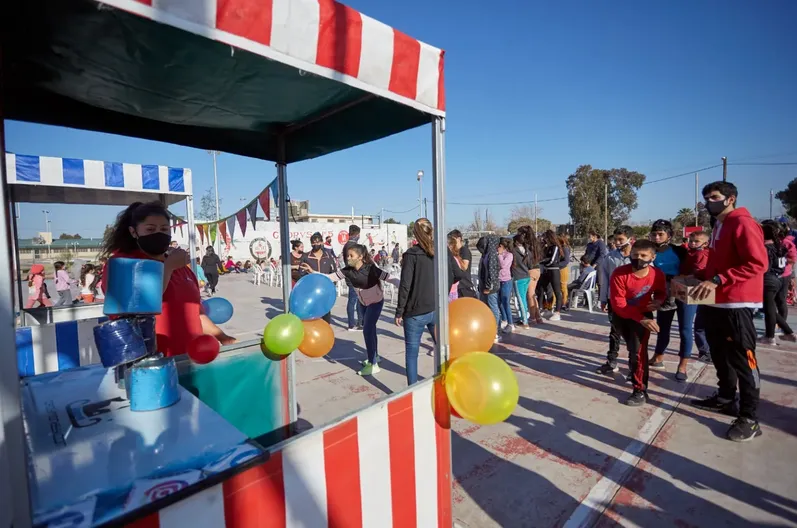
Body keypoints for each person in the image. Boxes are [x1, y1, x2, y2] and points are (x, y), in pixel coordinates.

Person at [103, 201, 236, 357]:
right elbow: (136, 305)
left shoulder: (181, 269)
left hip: (190, 360)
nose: (159, 234)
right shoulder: (123, 264)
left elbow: (195, 314)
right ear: (133, 232)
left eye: (164, 229)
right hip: (149, 364)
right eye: (150, 229)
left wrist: (222, 336)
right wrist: (168, 267)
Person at [690, 181, 768, 442]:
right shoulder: (719, 225)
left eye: (714, 197)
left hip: (736, 303)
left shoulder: (743, 223)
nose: (709, 202)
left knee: (743, 360)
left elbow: (758, 263)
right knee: (720, 355)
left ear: (730, 198)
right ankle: (725, 398)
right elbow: (718, 261)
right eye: (706, 198)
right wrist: (698, 276)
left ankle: (750, 418)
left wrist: (720, 279)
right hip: (715, 301)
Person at [302, 244, 399, 376]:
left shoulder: (371, 269)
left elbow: (392, 279)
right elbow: (330, 277)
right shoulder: (347, 271)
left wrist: (406, 288)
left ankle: (373, 364)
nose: (348, 258)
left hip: (376, 302)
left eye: (351, 255)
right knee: (370, 329)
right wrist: (313, 272)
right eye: (347, 255)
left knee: (367, 330)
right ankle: (374, 356)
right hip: (363, 303)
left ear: (360, 257)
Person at [395, 218, 471, 384]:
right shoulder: (441, 250)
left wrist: (399, 311)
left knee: (412, 353)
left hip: (415, 311)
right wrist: (443, 289)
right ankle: (450, 380)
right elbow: (458, 273)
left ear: (415, 233)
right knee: (443, 348)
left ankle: (413, 389)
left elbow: (405, 285)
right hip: (436, 307)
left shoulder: (412, 254)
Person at [609, 240, 666, 406]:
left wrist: (658, 302)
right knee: (629, 347)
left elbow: (662, 292)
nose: (638, 258)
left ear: (652, 257)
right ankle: (633, 372)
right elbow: (619, 304)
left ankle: (640, 389)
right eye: (635, 255)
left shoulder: (657, 274)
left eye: (643, 255)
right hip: (623, 316)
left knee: (638, 353)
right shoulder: (619, 274)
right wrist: (641, 318)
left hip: (643, 318)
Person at [647, 220, 691, 381]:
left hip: (682, 291)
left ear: (669, 236)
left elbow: (692, 269)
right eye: (654, 234)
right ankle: (658, 358)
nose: (656, 237)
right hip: (663, 293)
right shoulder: (649, 251)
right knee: (662, 328)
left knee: (685, 329)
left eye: (660, 234)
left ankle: (683, 366)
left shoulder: (680, 251)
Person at [596, 225, 635, 375]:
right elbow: (604, 279)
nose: (618, 242)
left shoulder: (638, 256)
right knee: (614, 332)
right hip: (614, 300)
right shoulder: (610, 257)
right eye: (616, 239)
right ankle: (612, 361)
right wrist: (604, 298)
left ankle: (634, 366)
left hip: (633, 301)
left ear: (630, 239)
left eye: (621, 239)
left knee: (633, 334)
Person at [760, 220, 796, 345]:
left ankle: (777, 335)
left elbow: (764, 266)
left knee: (769, 308)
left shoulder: (765, 247)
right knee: (769, 308)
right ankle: (785, 332)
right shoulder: (779, 245)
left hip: (769, 279)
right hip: (778, 278)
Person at [683, 231, 712, 362]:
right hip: (699, 290)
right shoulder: (691, 253)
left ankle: (705, 351)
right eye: (691, 241)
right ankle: (706, 350)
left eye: (696, 241)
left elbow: (698, 270)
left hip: (701, 291)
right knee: (701, 325)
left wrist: (690, 276)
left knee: (700, 326)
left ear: (705, 243)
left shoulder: (701, 254)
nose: (692, 243)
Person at [300, 232, 338, 323]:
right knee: (311, 315)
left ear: (322, 242)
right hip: (311, 291)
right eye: (314, 242)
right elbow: (301, 273)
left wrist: (331, 286)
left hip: (325, 290)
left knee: (325, 314)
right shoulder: (306, 257)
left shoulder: (328, 256)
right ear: (311, 243)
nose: (316, 244)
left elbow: (333, 272)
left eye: (318, 242)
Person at [477, 235, 501, 341]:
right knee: (485, 308)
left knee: (493, 307)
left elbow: (492, 272)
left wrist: (488, 286)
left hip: (491, 287)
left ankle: (494, 331)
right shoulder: (485, 255)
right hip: (484, 286)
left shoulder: (492, 255)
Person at [517, 226, 544, 324]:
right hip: (537, 269)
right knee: (532, 294)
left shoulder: (526, 245)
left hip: (530, 270)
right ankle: (538, 317)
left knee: (530, 295)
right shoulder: (535, 243)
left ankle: (532, 317)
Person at [537, 230, 564, 321]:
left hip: (554, 270)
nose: (544, 240)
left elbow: (552, 260)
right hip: (546, 271)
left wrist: (543, 262)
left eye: (545, 238)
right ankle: (543, 308)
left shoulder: (555, 247)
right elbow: (541, 256)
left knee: (557, 291)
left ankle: (557, 312)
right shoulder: (546, 247)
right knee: (540, 288)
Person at [343, 225, 365, 331]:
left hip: (352, 276)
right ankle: (353, 324)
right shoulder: (353, 247)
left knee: (356, 300)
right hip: (355, 277)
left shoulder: (347, 245)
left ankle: (359, 322)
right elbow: (352, 263)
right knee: (354, 300)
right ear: (357, 234)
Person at [447, 229, 477, 299]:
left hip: (464, 286)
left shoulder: (464, 250)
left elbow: (464, 267)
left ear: (459, 238)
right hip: (456, 285)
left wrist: (455, 258)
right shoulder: (453, 252)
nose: (451, 242)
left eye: (453, 239)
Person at [511, 234, 532, 329]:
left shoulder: (513, 251)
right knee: (524, 298)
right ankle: (524, 317)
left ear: (515, 241)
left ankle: (525, 321)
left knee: (521, 300)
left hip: (518, 277)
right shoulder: (526, 250)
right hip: (526, 276)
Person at [496, 238, 515, 332]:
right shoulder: (498, 254)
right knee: (499, 302)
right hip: (498, 280)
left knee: (506, 302)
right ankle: (504, 319)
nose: (497, 248)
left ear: (503, 246)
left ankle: (511, 323)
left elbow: (503, 265)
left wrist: (499, 255)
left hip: (506, 280)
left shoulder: (509, 255)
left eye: (499, 246)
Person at [585, 230, 609, 296]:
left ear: (595, 236)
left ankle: (600, 298)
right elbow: (587, 254)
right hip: (589, 264)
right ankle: (587, 299)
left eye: (590, 236)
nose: (589, 238)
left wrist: (595, 264)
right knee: (588, 282)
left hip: (599, 265)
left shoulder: (600, 243)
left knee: (600, 282)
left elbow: (602, 255)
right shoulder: (589, 245)